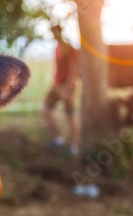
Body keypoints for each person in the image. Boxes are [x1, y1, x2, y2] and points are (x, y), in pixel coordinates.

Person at [42, 25, 80, 156]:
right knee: (45, 109)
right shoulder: (57, 48)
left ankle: (73, 147)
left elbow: (74, 69)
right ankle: (59, 140)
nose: (54, 35)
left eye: (55, 32)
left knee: (71, 115)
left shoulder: (68, 48)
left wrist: (68, 89)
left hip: (67, 86)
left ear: (60, 32)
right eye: (52, 32)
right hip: (56, 85)